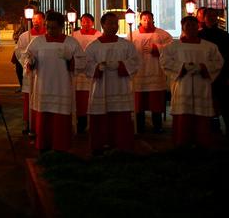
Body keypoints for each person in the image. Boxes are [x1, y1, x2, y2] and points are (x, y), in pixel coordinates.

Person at [24, 11, 85, 152]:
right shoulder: (38, 41)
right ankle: (44, 146)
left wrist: (71, 59)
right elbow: (27, 57)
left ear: (61, 27)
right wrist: (30, 61)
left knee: (60, 120)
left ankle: (61, 147)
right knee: (44, 119)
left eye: (54, 28)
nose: (50, 31)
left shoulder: (71, 42)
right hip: (43, 86)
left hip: (62, 86)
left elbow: (82, 62)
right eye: (48, 27)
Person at [160, 16, 223, 147]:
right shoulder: (173, 46)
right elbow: (164, 61)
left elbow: (218, 62)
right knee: (183, 113)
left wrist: (202, 67)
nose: (191, 28)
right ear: (183, 27)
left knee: (201, 113)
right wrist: (182, 66)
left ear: (198, 27)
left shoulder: (209, 47)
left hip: (201, 85)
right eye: (188, 25)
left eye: (193, 25)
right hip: (183, 84)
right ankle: (182, 142)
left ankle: (202, 142)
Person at [84, 12, 141, 154]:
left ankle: (122, 145)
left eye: (115, 23)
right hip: (101, 87)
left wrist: (121, 65)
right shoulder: (93, 46)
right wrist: (98, 67)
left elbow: (135, 62)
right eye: (110, 23)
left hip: (120, 86)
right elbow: (86, 65)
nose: (113, 26)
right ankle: (100, 146)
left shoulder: (126, 45)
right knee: (100, 115)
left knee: (120, 117)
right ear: (103, 24)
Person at [199, 7, 229, 144]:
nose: (211, 18)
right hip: (204, 76)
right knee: (206, 106)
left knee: (227, 107)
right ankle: (210, 132)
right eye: (208, 16)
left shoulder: (223, 36)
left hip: (222, 75)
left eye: (213, 15)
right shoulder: (199, 36)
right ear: (203, 18)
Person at [130, 11, 173, 134]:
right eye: (144, 19)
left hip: (155, 71)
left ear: (153, 19)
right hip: (139, 73)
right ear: (140, 20)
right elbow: (127, 51)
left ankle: (157, 125)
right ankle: (140, 126)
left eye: (149, 19)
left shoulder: (162, 34)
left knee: (156, 102)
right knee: (139, 103)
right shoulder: (133, 36)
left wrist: (156, 48)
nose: (147, 21)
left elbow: (170, 49)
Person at [14, 9, 46, 136]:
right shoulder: (24, 36)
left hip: (43, 73)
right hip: (29, 72)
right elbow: (19, 52)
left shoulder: (47, 36)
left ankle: (41, 123)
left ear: (44, 21)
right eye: (33, 20)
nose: (35, 22)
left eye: (38, 20)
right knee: (29, 98)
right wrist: (28, 62)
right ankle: (29, 123)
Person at [70, 13, 100, 134]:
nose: (85, 23)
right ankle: (79, 121)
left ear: (92, 23)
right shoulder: (74, 35)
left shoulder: (98, 36)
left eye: (88, 21)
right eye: (83, 21)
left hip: (91, 71)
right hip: (78, 73)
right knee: (79, 98)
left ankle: (92, 122)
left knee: (91, 96)